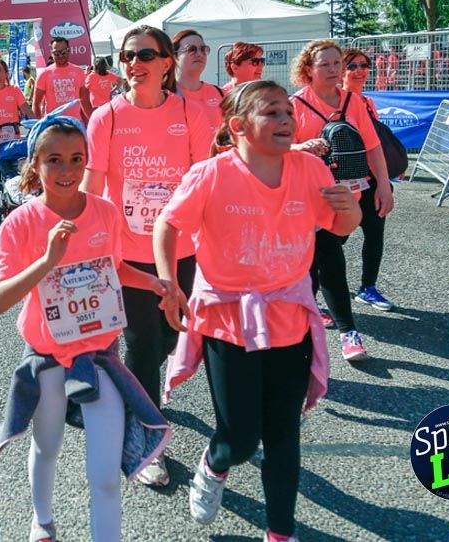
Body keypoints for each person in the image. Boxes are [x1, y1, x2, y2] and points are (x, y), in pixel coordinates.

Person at [154, 80, 360, 542]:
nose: (286, 120)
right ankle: (215, 463)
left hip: (289, 318)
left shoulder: (310, 169)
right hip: (229, 322)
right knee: (242, 438)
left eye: (288, 112)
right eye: (272, 113)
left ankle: (279, 533)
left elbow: (340, 225)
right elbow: (167, 224)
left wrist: (352, 213)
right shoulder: (210, 174)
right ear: (239, 127)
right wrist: (169, 282)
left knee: (284, 435)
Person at [0, 116, 176, 542]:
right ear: (34, 166)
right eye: (54, 160)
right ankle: (42, 520)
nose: (66, 171)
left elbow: (115, 266)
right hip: (48, 358)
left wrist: (155, 282)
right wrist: (48, 260)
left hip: (100, 356)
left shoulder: (103, 211)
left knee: (104, 476)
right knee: (47, 446)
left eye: (75, 160)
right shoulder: (21, 223)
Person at [81, 24, 212, 487]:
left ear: (165, 63)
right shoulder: (107, 118)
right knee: (141, 343)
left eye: (144, 55)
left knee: (171, 338)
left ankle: (133, 389)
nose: (133, 64)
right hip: (129, 254)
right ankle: (146, 440)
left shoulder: (191, 113)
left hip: (182, 250)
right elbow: (93, 186)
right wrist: (75, 232)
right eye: (126, 56)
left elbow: (203, 182)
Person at [290, 40, 394, 362]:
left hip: (353, 194)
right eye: (326, 64)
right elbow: (276, 150)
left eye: (338, 63)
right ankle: (349, 332)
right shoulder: (294, 104)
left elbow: (373, 147)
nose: (335, 69)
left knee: (315, 263)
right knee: (330, 257)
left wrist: (384, 186)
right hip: (314, 198)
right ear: (308, 69)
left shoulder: (353, 101)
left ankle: (302, 308)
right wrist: (301, 147)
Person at [340, 48, 395, 311]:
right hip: (345, 182)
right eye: (353, 66)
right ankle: (318, 289)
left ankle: (368, 287)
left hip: (371, 179)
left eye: (365, 65)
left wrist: (385, 176)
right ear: (341, 70)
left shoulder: (368, 102)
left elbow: (376, 143)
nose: (360, 70)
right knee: (336, 239)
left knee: (374, 234)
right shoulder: (336, 102)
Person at [171, 29, 223, 140]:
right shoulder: (164, 95)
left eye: (203, 49)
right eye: (191, 49)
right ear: (175, 56)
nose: (199, 54)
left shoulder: (220, 93)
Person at [33, 37, 86, 120]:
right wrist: (38, 124)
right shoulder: (44, 74)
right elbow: (36, 104)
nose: (60, 56)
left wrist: (88, 123)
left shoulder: (79, 72)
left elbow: (84, 101)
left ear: (69, 51)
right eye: (56, 53)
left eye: (63, 52)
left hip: (74, 124)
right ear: (51, 53)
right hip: (53, 125)